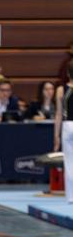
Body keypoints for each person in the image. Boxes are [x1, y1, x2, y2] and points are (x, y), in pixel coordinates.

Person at [54, 59, 73, 203]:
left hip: (67, 126)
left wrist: (56, 136)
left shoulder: (61, 90)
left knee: (69, 162)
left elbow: (59, 114)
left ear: (67, 73)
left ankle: (71, 197)